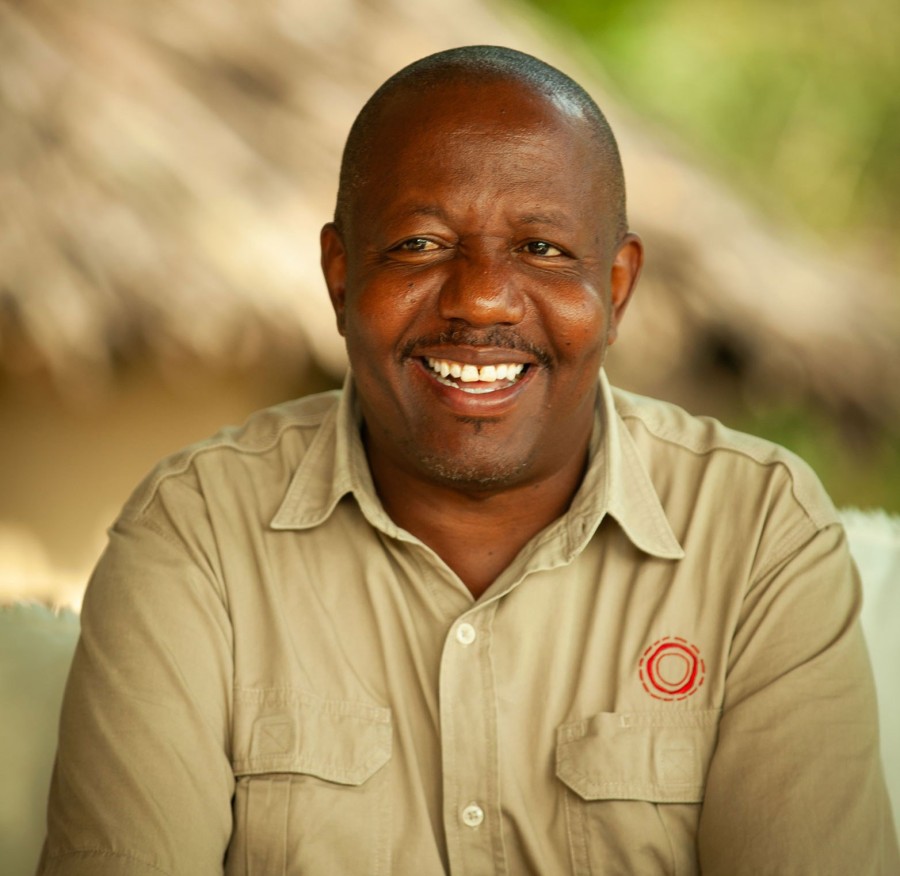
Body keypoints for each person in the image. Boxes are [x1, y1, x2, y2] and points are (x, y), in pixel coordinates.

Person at [39, 46, 898, 875]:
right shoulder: (197, 535)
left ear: (618, 287)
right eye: (419, 244)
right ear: (341, 278)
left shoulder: (754, 534)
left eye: (543, 248)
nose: (482, 295)